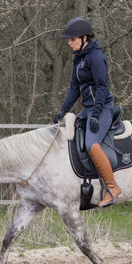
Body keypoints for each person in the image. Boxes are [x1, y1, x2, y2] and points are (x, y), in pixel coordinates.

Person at [53, 17, 121, 207]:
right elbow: (75, 88)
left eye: (72, 39)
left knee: (91, 144)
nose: (69, 43)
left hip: (102, 107)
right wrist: (63, 110)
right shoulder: (79, 58)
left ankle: (112, 187)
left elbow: (102, 87)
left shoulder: (96, 57)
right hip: (88, 108)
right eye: (69, 40)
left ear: (84, 38)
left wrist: (97, 113)